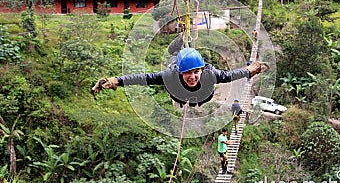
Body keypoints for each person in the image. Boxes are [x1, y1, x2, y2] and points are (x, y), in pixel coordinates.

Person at [92, 34, 269, 108]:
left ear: (201, 70)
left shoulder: (209, 74)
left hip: (200, 96)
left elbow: (229, 76)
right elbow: (143, 78)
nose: (192, 77)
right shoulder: (171, 75)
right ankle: (178, 48)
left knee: (182, 61)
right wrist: (117, 80)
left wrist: (249, 71)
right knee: (174, 56)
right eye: (187, 73)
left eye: (195, 72)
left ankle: (181, 46)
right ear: (180, 72)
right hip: (177, 91)